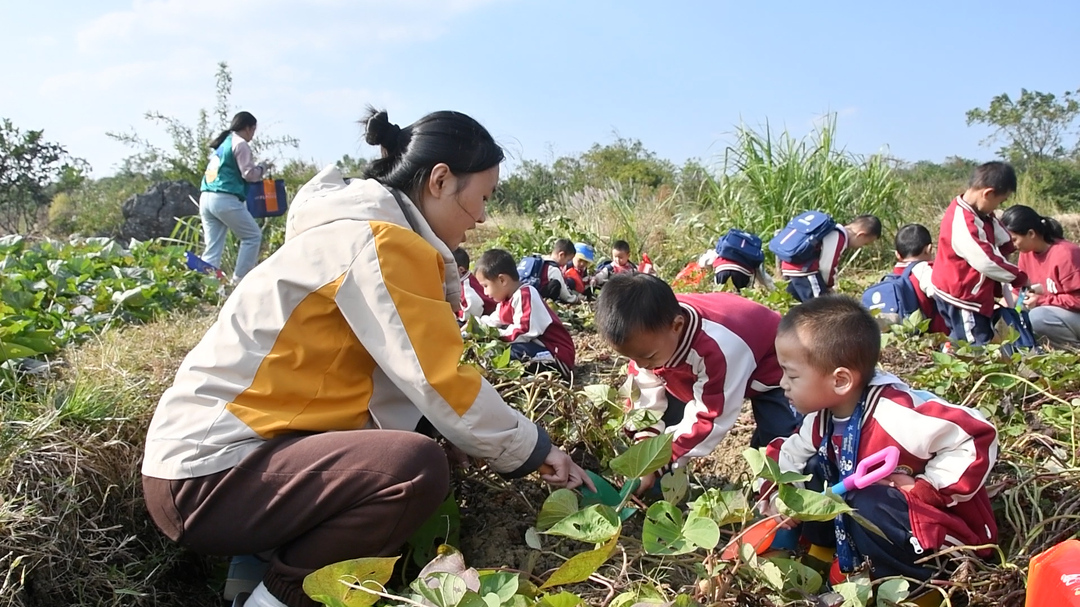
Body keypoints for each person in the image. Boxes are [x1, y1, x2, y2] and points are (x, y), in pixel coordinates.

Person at [141, 108, 592, 607]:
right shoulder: (379, 240)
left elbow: (385, 379)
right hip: (209, 478)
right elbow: (436, 378)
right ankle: (278, 598)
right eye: (482, 197)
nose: (483, 216)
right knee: (412, 468)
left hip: (221, 465)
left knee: (416, 448)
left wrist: (444, 430)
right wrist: (535, 449)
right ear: (441, 180)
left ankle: (252, 572)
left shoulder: (359, 229)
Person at [763, 295, 998, 581]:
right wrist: (781, 498)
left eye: (791, 375)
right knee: (813, 466)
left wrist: (928, 486)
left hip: (939, 532)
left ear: (840, 381)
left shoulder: (896, 415)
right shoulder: (821, 418)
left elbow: (977, 435)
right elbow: (789, 456)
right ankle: (824, 551)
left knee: (867, 501)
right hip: (883, 517)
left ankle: (914, 586)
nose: (782, 383)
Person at [595, 273, 800, 493]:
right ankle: (660, 490)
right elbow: (645, 388)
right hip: (699, 364)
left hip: (771, 368)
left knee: (779, 444)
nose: (642, 365)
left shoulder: (719, 347)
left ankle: (778, 501)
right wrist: (645, 447)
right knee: (663, 418)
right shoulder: (650, 335)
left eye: (648, 357)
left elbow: (710, 416)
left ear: (677, 325)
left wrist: (656, 461)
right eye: (633, 358)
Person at [931, 162, 1028, 345]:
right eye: (1000, 201)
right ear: (988, 193)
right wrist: (1017, 276)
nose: (997, 207)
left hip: (960, 291)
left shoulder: (980, 213)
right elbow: (985, 260)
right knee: (975, 342)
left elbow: (997, 231)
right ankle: (971, 372)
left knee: (960, 336)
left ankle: (948, 363)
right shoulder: (963, 222)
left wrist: (1008, 244)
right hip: (962, 296)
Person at [475, 249, 576, 377]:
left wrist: (492, 336)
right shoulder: (505, 301)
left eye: (485, 286)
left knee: (510, 355)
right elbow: (493, 320)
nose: (485, 293)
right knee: (500, 354)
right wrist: (474, 327)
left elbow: (523, 331)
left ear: (502, 280)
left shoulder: (526, 295)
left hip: (557, 355)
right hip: (538, 348)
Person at [199, 111, 267, 283]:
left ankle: (206, 285)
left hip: (206, 197)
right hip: (224, 198)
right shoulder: (241, 144)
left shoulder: (224, 143)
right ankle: (239, 282)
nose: (253, 135)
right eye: (253, 130)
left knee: (212, 249)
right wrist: (262, 168)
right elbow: (249, 175)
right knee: (252, 236)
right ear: (248, 128)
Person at [1002, 205, 1080, 347]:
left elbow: (1078, 299)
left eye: (1014, 240)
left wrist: (1041, 301)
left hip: (1073, 315)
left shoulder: (1066, 254)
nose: (1011, 246)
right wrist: (1000, 310)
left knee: (1039, 317)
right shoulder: (1025, 255)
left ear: (1031, 233)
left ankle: (1072, 356)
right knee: (1005, 317)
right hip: (1058, 315)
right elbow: (1019, 293)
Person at [891, 223, 949, 334]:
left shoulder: (892, 275)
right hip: (932, 335)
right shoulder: (924, 270)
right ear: (929, 249)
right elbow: (941, 294)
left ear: (897, 254)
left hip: (903, 333)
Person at [454, 247, 496, 322]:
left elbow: (472, 315)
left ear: (461, 270)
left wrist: (457, 315)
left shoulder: (467, 288)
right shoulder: (466, 278)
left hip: (487, 316)